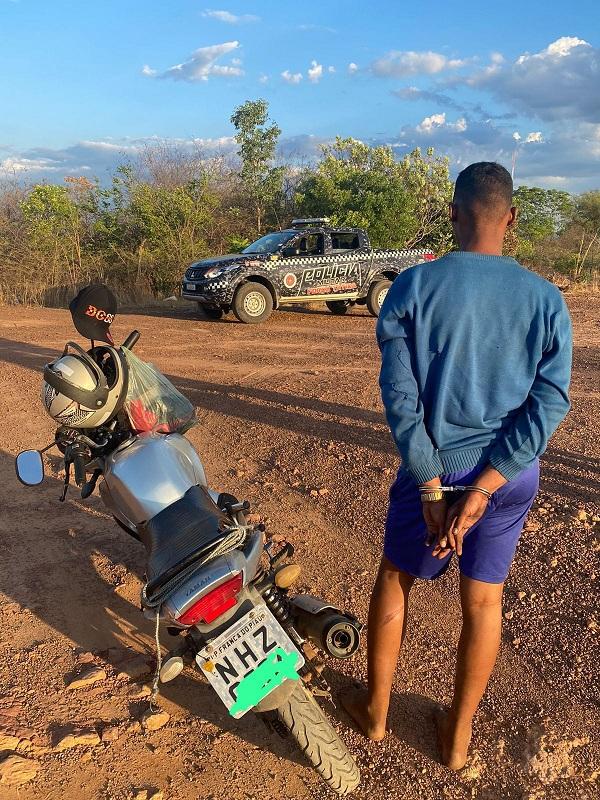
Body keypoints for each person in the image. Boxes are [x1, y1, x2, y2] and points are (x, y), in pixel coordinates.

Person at [342, 162, 572, 770]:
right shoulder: (546, 300)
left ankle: (377, 716)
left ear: (452, 213)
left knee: (396, 579)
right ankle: (458, 738)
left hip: (434, 470)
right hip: (509, 477)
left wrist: (431, 483)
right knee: (484, 601)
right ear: (512, 218)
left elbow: (400, 398)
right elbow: (550, 401)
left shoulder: (412, 288)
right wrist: (486, 487)